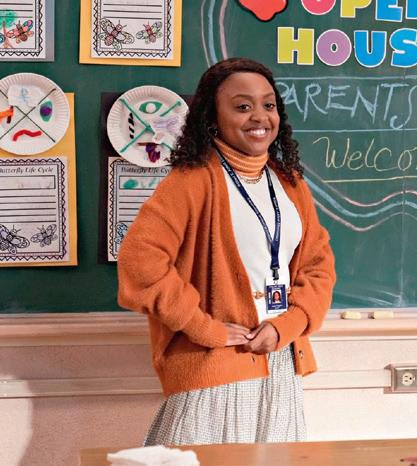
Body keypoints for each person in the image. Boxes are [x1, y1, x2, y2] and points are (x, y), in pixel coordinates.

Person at [117, 57, 336, 446]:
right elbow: (140, 262)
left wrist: (286, 326)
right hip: (215, 364)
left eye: (268, 105)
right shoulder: (192, 181)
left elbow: (318, 267)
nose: (260, 117)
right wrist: (203, 327)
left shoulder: (290, 183)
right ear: (213, 117)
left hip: (280, 361)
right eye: (242, 106)